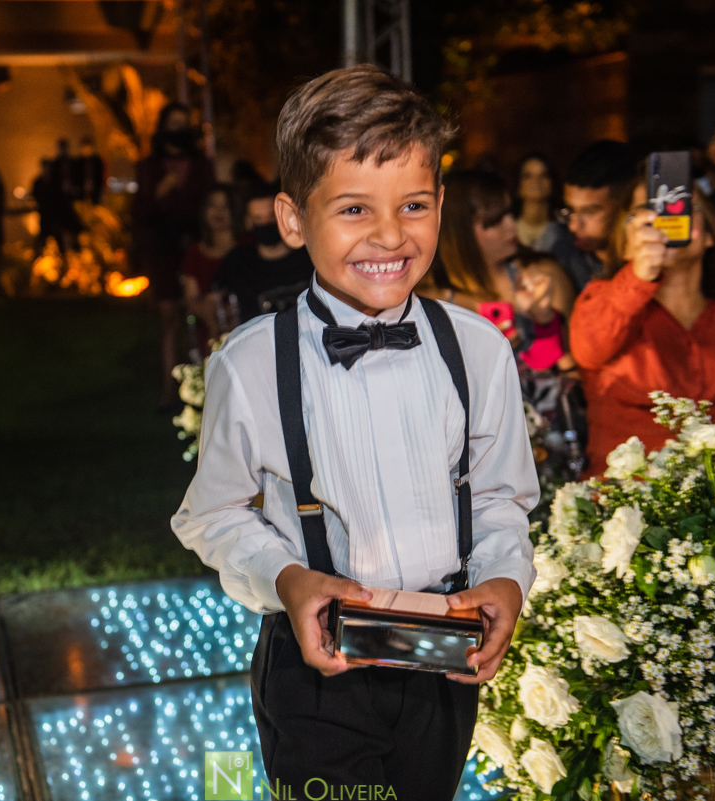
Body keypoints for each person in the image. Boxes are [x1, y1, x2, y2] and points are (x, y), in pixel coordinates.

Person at [171, 65, 537, 800]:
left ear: (440, 204)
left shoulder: (480, 349)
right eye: (353, 210)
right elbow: (211, 514)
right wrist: (289, 577)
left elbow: (499, 496)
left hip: (442, 660)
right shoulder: (249, 365)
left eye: (412, 205)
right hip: (319, 674)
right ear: (292, 219)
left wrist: (504, 575)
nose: (390, 235)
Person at [569, 176, 715, 476]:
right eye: (648, 212)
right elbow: (589, 349)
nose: (664, 221)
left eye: (679, 207)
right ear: (626, 240)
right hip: (628, 497)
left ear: (708, 234)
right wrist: (639, 275)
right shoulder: (600, 297)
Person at [419, 169, 575, 372]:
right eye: (495, 221)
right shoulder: (428, 302)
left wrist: (545, 321)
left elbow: (572, 369)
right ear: (459, 233)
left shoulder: (542, 276)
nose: (511, 226)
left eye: (510, 213)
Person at [132, 103, 215, 410]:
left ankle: (206, 386)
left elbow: (207, 204)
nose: (179, 129)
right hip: (163, 248)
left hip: (193, 247)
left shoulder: (201, 165)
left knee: (201, 314)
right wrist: (159, 193)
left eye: (184, 123)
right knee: (169, 319)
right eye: (173, 123)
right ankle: (169, 391)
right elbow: (140, 212)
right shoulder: (150, 167)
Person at [211, 181, 313, 323]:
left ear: (283, 216)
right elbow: (215, 304)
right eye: (258, 218)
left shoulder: (310, 255)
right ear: (249, 221)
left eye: (271, 216)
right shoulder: (238, 263)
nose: (265, 223)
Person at [553, 140, 638, 291]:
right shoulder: (561, 257)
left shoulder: (646, 262)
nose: (573, 226)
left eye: (589, 212)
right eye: (570, 210)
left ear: (626, 207)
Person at [181, 185, 239, 340]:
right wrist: (213, 317)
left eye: (225, 206)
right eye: (213, 205)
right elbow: (191, 298)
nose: (218, 212)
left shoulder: (248, 246)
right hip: (211, 333)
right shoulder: (195, 252)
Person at [513, 153, 570, 252]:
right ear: (518, 184)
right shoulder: (507, 230)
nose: (536, 181)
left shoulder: (566, 229)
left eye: (544, 175)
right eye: (528, 176)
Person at [73, 136, 107, 205]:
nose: (87, 150)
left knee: (95, 207)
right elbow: (75, 175)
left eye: (88, 148)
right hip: (81, 189)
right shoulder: (78, 161)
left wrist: (102, 188)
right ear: (81, 148)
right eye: (85, 148)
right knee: (82, 207)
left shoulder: (97, 160)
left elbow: (101, 174)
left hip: (95, 189)